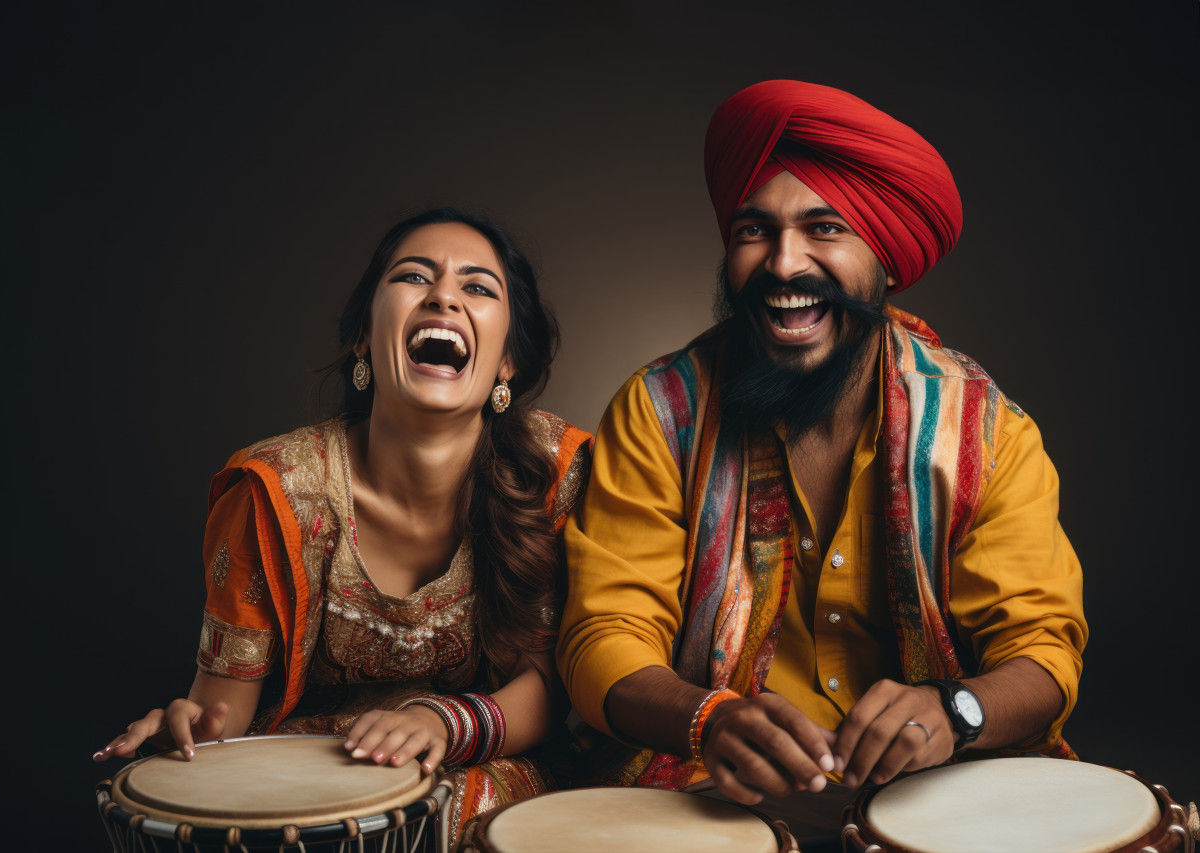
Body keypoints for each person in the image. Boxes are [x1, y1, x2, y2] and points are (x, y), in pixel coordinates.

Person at [557, 80, 1087, 847]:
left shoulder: (985, 429)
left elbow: (1042, 648)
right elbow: (603, 631)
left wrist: (954, 710)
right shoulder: (659, 412)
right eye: (753, 230)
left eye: (824, 228)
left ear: (885, 258)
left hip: (937, 788)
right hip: (710, 784)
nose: (783, 262)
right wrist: (707, 717)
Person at [95, 208, 592, 849]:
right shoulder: (274, 490)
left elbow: (556, 686)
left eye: (477, 287)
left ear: (508, 360)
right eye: (414, 277)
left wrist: (444, 724)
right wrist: (184, 731)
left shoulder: (554, 473)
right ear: (362, 338)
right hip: (317, 773)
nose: (443, 295)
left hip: (479, 756)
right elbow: (224, 715)